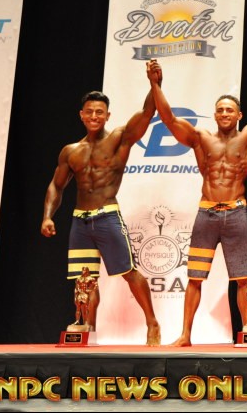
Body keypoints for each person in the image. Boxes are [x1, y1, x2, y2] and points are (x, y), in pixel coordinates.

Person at [146, 59, 247, 347]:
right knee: (194, 277)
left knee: (243, 279)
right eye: (220, 110)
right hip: (206, 215)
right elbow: (168, 119)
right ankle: (185, 335)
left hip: (236, 213)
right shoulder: (200, 138)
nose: (225, 113)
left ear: (239, 114)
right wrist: (155, 84)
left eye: (229, 110)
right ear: (214, 115)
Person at [41, 84, 161, 345]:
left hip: (107, 215)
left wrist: (154, 84)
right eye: (89, 112)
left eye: (99, 112)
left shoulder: (118, 138)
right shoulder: (70, 151)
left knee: (129, 272)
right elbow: (56, 186)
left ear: (107, 115)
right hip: (80, 220)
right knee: (85, 279)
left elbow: (147, 113)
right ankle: (87, 328)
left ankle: (152, 323)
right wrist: (47, 216)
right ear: (81, 115)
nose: (94, 116)